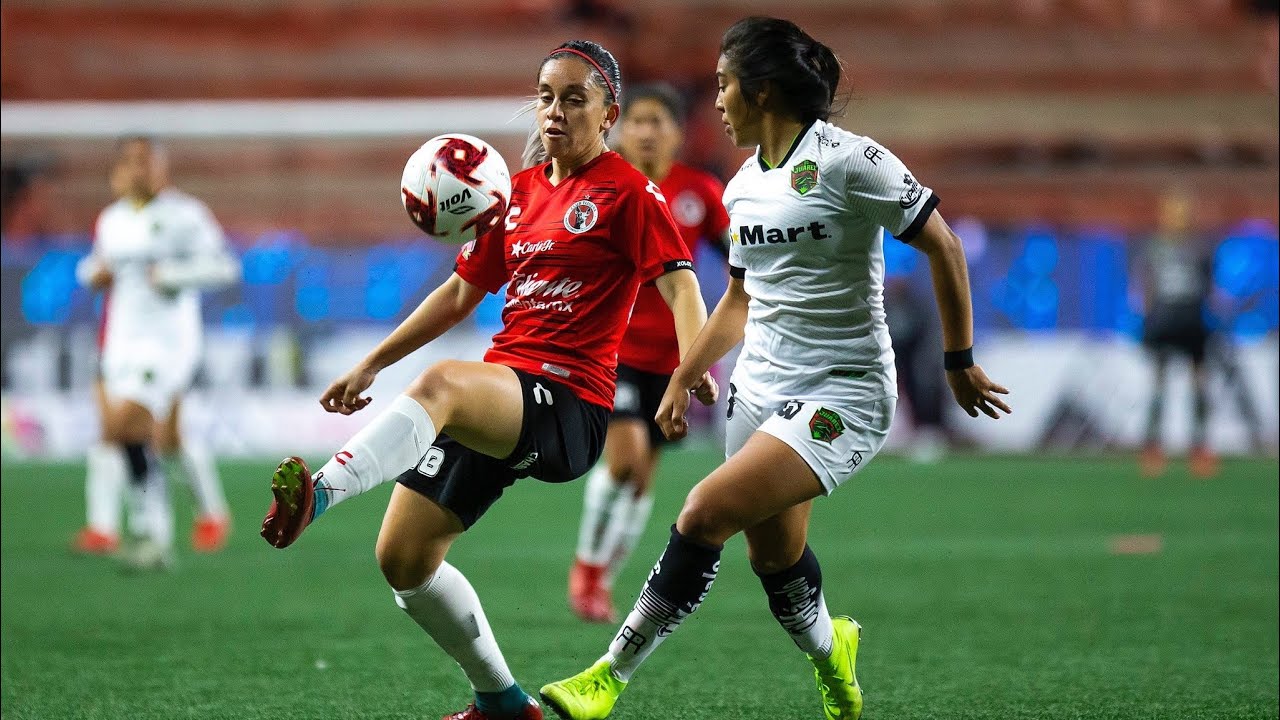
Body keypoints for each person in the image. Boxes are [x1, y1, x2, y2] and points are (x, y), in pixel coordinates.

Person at [539, 17, 1011, 720]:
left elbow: (943, 245)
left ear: (761, 91)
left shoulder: (854, 162)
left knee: (701, 513)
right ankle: (833, 652)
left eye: (724, 85)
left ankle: (609, 675)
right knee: (776, 565)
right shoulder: (740, 188)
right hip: (760, 388)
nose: (717, 101)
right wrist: (682, 374)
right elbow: (737, 298)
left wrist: (959, 359)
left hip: (842, 393)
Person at [258, 40, 716, 720]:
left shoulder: (629, 194)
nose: (554, 112)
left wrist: (689, 369)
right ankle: (502, 701)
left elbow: (681, 291)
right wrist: (371, 363)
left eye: (574, 99)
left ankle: (320, 495)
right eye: (546, 97)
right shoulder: (517, 194)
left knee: (443, 384)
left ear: (608, 112)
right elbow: (457, 295)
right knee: (404, 561)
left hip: (571, 403)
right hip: (505, 396)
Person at [568, 82, 732, 624]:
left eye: (657, 121)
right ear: (618, 127)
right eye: (635, 120)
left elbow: (739, 262)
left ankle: (603, 579)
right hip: (611, 350)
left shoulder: (699, 192)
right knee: (626, 456)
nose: (644, 131)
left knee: (644, 475)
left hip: (673, 359)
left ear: (678, 132)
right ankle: (587, 569)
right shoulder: (602, 186)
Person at [74, 136, 240, 568]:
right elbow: (92, 266)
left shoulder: (186, 215)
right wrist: (96, 273)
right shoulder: (112, 220)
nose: (137, 170)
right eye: (129, 162)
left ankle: (154, 532)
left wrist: (171, 275)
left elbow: (224, 267)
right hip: (121, 342)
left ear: (162, 167)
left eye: (145, 161)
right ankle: (151, 532)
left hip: (167, 344)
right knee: (128, 434)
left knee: (131, 424)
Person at [1136, 189, 1218, 478]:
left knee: (1198, 386)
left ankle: (1200, 447)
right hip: (1163, 323)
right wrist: (1146, 319)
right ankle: (1152, 447)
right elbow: (1145, 286)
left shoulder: (1201, 248)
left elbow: (1209, 289)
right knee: (1159, 386)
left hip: (1193, 323)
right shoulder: (1154, 247)